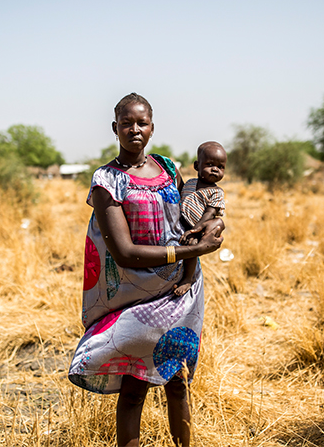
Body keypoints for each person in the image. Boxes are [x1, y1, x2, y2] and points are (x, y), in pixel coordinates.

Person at [68, 93, 224, 447]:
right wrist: (193, 249)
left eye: (142, 123)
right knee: (134, 388)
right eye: (126, 123)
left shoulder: (169, 168)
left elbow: (191, 214)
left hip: (179, 294)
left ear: (152, 128)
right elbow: (124, 253)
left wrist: (212, 224)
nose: (134, 130)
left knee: (178, 382)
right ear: (115, 128)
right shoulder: (107, 180)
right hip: (134, 299)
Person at [174, 141, 227, 296]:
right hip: (181, 222)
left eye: (220, 167)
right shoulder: (190, 183)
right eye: (210, 164)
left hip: (198, 228)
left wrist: (195, 229)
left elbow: (209, 214)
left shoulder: (216, 193)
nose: (215, 169)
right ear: (197, 166)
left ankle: (188, 279)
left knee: (192, 246)